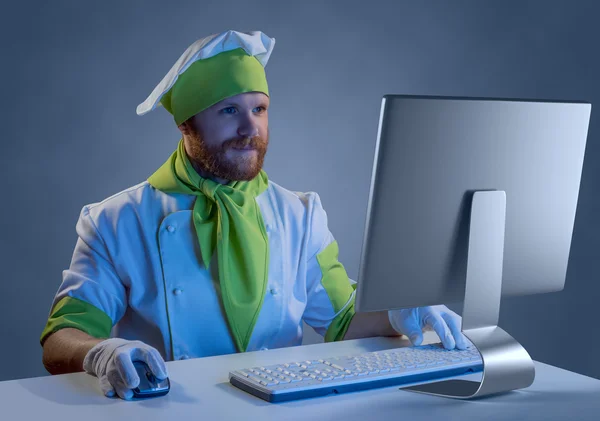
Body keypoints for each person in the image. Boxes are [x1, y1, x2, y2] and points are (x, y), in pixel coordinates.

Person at [40, 30, 469, 400]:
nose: (250, 129)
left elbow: (341, 321)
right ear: (186, 124)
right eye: (229, 110)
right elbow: (61, 338)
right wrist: (100, 354)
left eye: (259, 109)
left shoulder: (300, 215)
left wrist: (400, 313)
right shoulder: (117, 221)